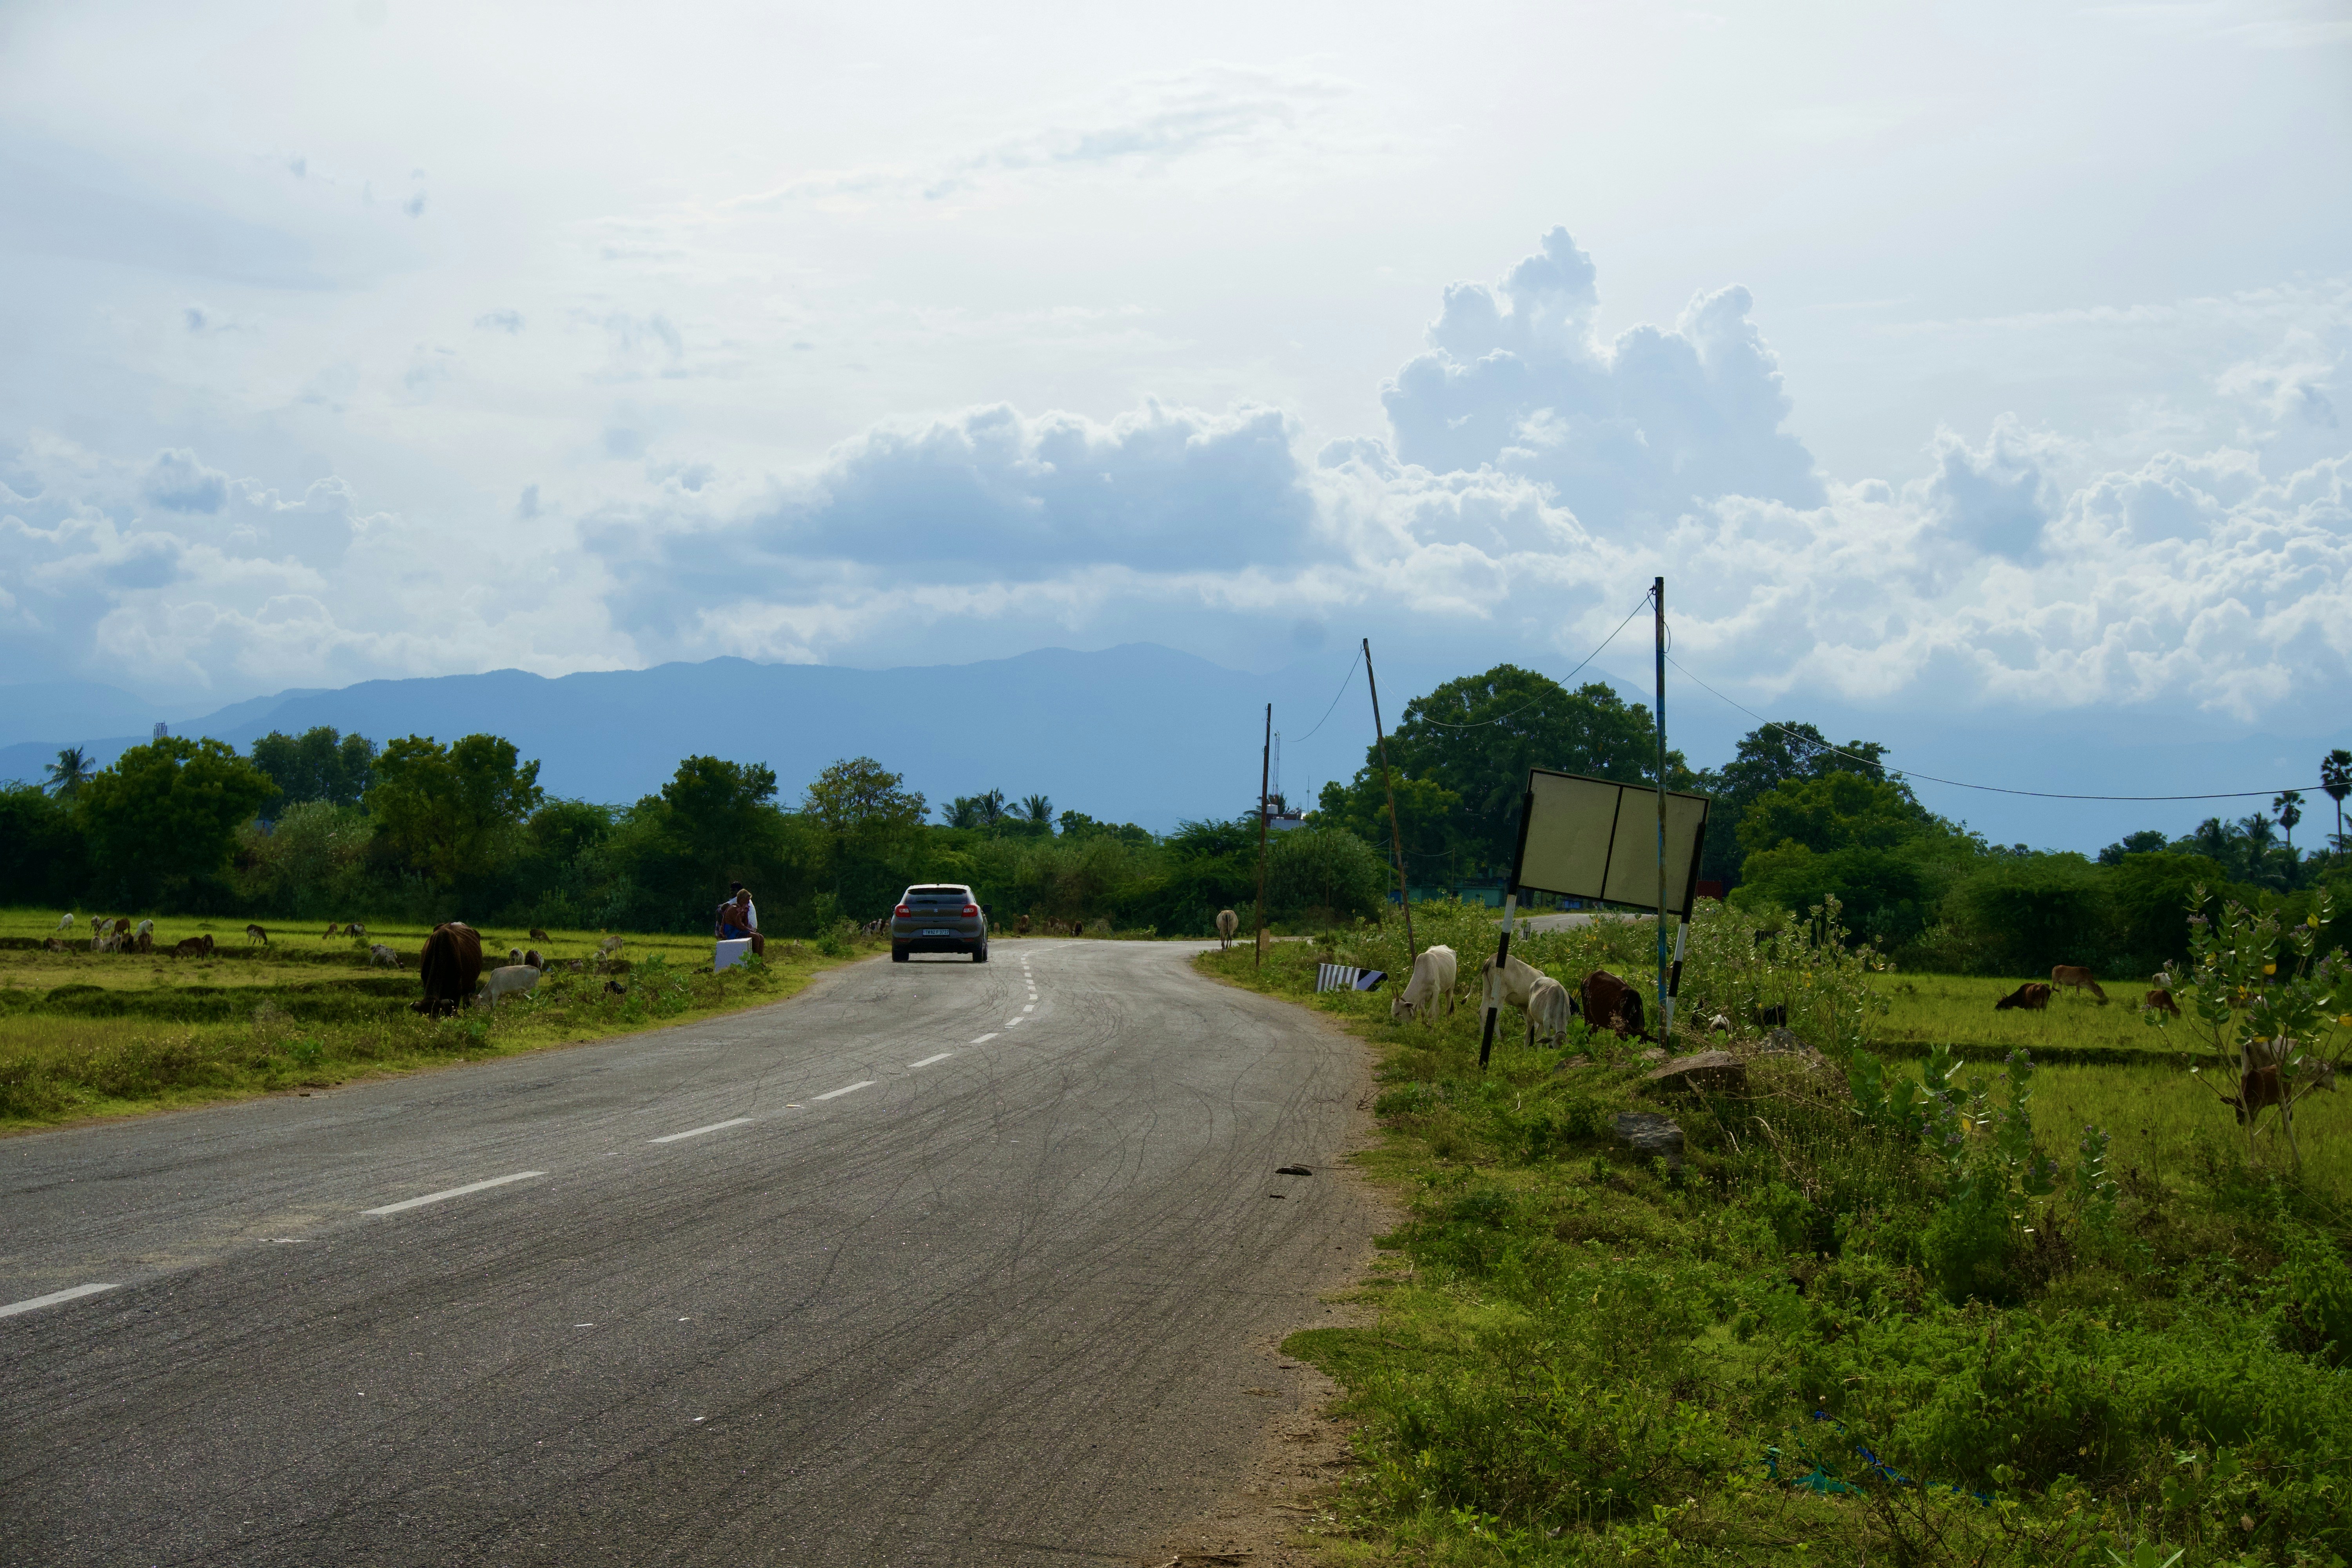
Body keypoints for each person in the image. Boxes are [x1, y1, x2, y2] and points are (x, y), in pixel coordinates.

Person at [714, 882, 764, 957]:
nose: (748, 903)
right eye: (747, 901)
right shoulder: (734, 909)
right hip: (732, 932)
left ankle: (760, 961)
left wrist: (745, 911)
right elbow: (739, 925)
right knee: (757, 937)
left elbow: (744, 923)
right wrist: (750, 930)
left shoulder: (742, 909)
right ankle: (755, 960)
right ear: (741, 899)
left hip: (738, 930)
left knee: (761, 938)